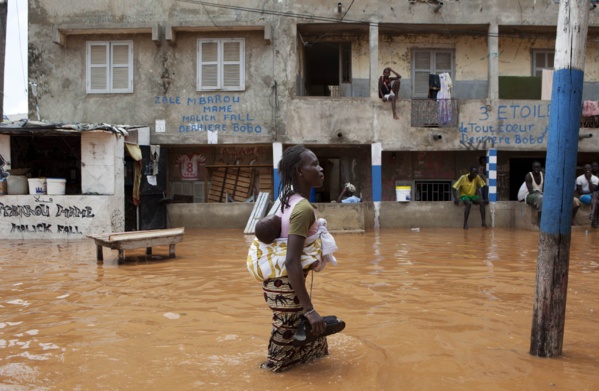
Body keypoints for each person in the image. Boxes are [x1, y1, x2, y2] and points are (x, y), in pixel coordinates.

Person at [246, 145, 343, 372]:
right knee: (277, 363)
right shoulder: (302, 209)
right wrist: (309, 310)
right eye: (315, 164)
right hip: (287, 291)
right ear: (300, 171)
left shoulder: (286, 201)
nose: (321, 169)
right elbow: (291, 260)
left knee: (316, 344)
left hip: (283, 287)